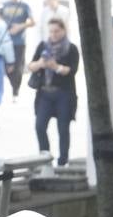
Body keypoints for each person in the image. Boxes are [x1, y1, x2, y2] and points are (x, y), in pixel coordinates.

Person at [28, 19, 79, 167]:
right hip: (45, 92)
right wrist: (41, 64)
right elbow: (31, 65)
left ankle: (63, 160)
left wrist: (56, 67)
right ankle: (45, 158)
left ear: (63, 30)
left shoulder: (71, 48)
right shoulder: (43, 46)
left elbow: (72, 70)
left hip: (63, 93)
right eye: (51, 31)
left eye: (56, 31)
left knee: (63, 129)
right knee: (39, 126)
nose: (53, 34)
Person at [0, 0, 33, 100]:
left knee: (18, 66)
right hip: (6, 41)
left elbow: (32, 22)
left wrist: (20, 26)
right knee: (7, 65)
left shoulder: (24, 6)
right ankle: (12, 83)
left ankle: (16, 90)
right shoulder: (4, 5)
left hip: (20, 41)